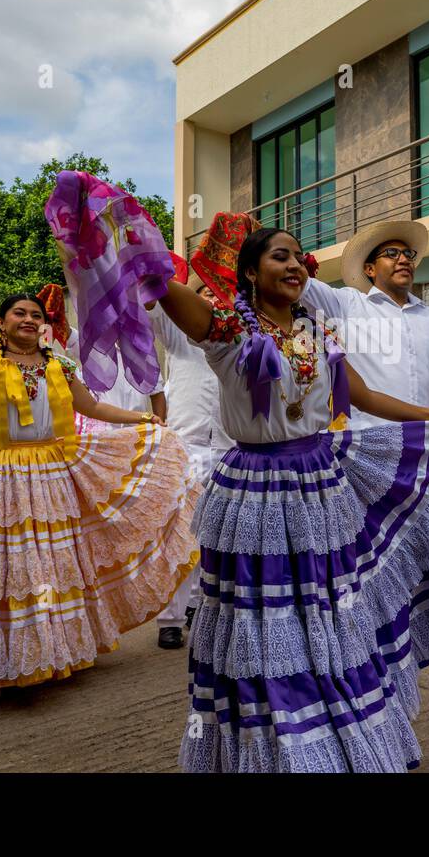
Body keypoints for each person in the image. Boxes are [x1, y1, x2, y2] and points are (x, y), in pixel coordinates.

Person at [163, 220, 429, 772]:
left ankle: (339, 741)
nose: (294, 266)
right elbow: (160, 290)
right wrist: (119, 237)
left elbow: (360, 394)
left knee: (332, 616)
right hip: (256, 493)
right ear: (248, 272)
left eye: (299, 258)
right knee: (263, 624)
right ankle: (277, 749)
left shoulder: (317, 332)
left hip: (321, 484)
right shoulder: (229, 330)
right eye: (278, 257)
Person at [0, 287, 198, 690]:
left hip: (50, 473)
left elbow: (91, 408)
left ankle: (51, 653)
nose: (30, 320)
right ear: (1, 322)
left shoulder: (61, 365)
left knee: (50, 564)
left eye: (37, 314)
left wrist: (142, 421)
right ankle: (0, 660)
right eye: (20, 313)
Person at [297, 219, 429, 429]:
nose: (404, 260)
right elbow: (299, 281)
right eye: (392, 254)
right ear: (370, 269)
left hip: (427, 442)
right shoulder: (347, 304)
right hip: (369, 444)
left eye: (408, 254)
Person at [149, 276, 233, 649]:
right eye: (205, 292)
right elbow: (154, 300)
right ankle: (169, 618)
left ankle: (198, 607)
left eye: (220, 293)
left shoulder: (236, 337)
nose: (213, 298)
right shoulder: (179, 333)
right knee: (178, 537)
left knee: (214, 536)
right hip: (188, 446)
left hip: (230, 449)